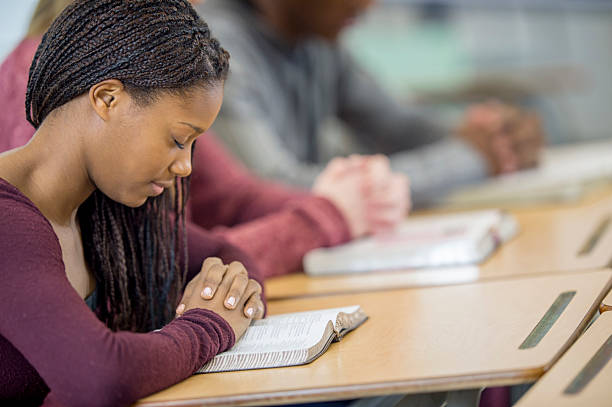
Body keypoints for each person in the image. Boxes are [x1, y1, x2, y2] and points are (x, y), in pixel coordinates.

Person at [0, 0, 410, 280]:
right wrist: (325, 219)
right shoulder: (50, 91)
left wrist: (349, 201)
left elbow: (232, 195)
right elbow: (146, 271)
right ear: (106, 99)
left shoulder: (153, 73)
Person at [0, 1, 268, 405]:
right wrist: (209, 325)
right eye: (179, 140)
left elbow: (226, 255)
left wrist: (224, 295)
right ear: (107, 99)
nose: (184, 166)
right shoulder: (8, 219)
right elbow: (102, 375)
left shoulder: (103, 206)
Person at [196, 0, 545, 207]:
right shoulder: (212, 45)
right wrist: (470, 157)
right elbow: (275, 192)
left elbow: (398, 126)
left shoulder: (315, 39)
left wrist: (496, 136)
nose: (369, 4)